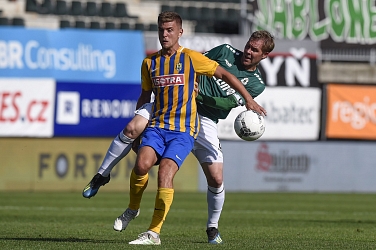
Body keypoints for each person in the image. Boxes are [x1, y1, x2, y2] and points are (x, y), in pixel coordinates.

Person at [82, 29, 274, 244]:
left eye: (254, 50)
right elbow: (195, 63)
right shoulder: (225, 51)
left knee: (217, 178)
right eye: (248, 45)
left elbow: (226, 103)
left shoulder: (256, 84)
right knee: (131, 128)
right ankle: (102, 175)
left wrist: (200, 93)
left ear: (264, 56)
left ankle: (212, 228)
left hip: (205, 120)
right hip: (176, 102)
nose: (248, 51)